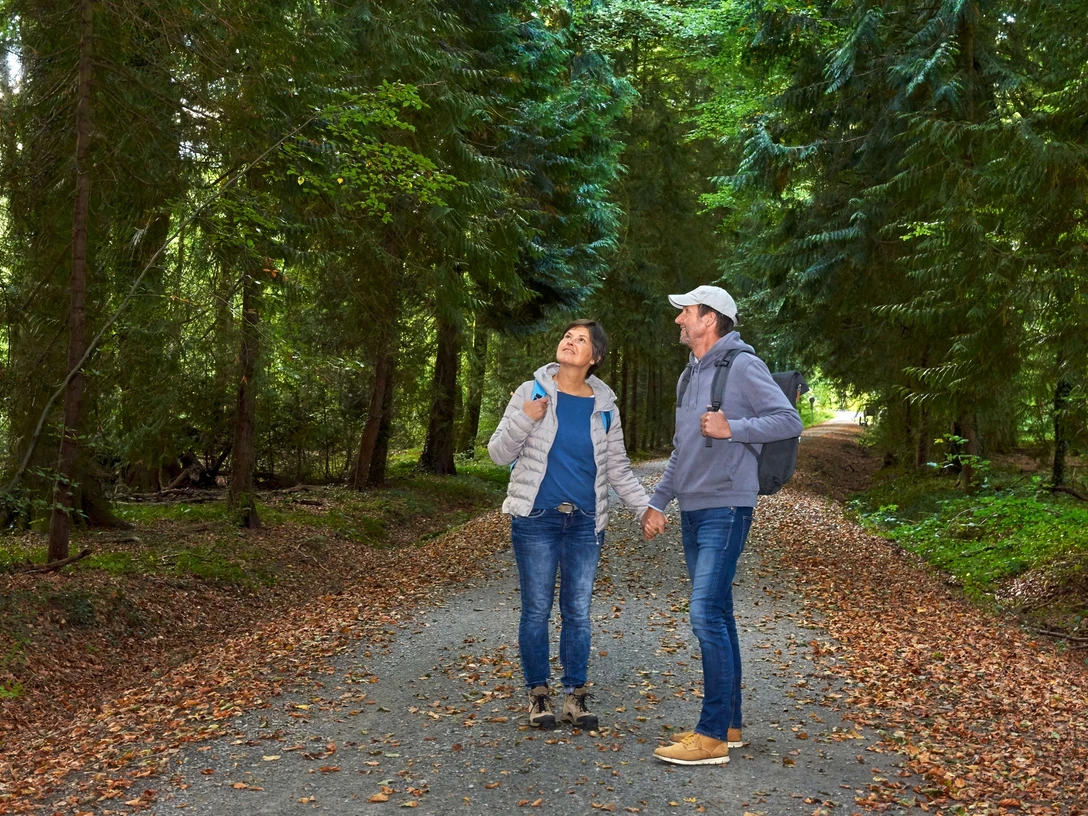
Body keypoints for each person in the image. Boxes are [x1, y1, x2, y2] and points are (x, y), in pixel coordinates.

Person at [641, 285, 802, 765]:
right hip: (693, 508)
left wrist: (735, 428)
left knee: (704, 613)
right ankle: (729, 724)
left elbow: (788, 419)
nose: (678, 321)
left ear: (709, 319)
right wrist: (658, 501)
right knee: (720, 613)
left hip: (727, 507)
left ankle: (710, 737)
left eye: (685, 312)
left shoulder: (744, 366)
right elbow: (681, 450)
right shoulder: (688, 376)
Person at [489, 320, 649, 730]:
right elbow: (497, 452)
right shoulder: (532, 392)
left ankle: (575, 698)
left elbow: (617, 468)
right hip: (536, 518)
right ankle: (538, 696)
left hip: (585, 522)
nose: (570, 342)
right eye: (567, 336)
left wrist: (645, 508)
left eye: (581, 340)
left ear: (594, 357)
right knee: (536, 610)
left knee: (577, 611)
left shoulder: (605, 408)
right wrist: (526, 418)